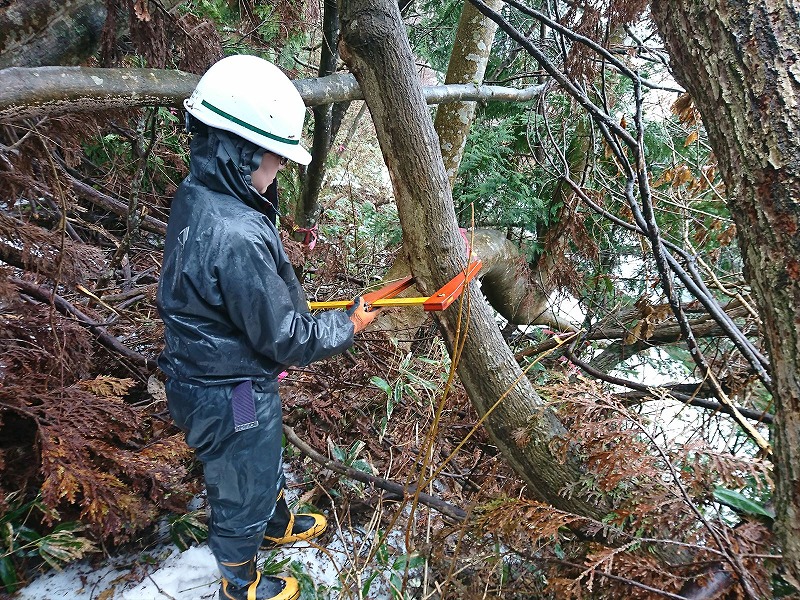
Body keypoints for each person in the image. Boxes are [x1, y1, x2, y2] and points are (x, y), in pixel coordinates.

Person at [157, 54, 378, 600]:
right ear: (242, 152)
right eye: (277, 159)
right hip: (229, 391)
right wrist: (347, 325)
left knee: (261, 455)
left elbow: (237, 300)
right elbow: (285, 337)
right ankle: (240, 582)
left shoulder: (200, 195)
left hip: (217, 372)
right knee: (242, 481)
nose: (279, 170)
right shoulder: (236, 234)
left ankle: (274, 523)